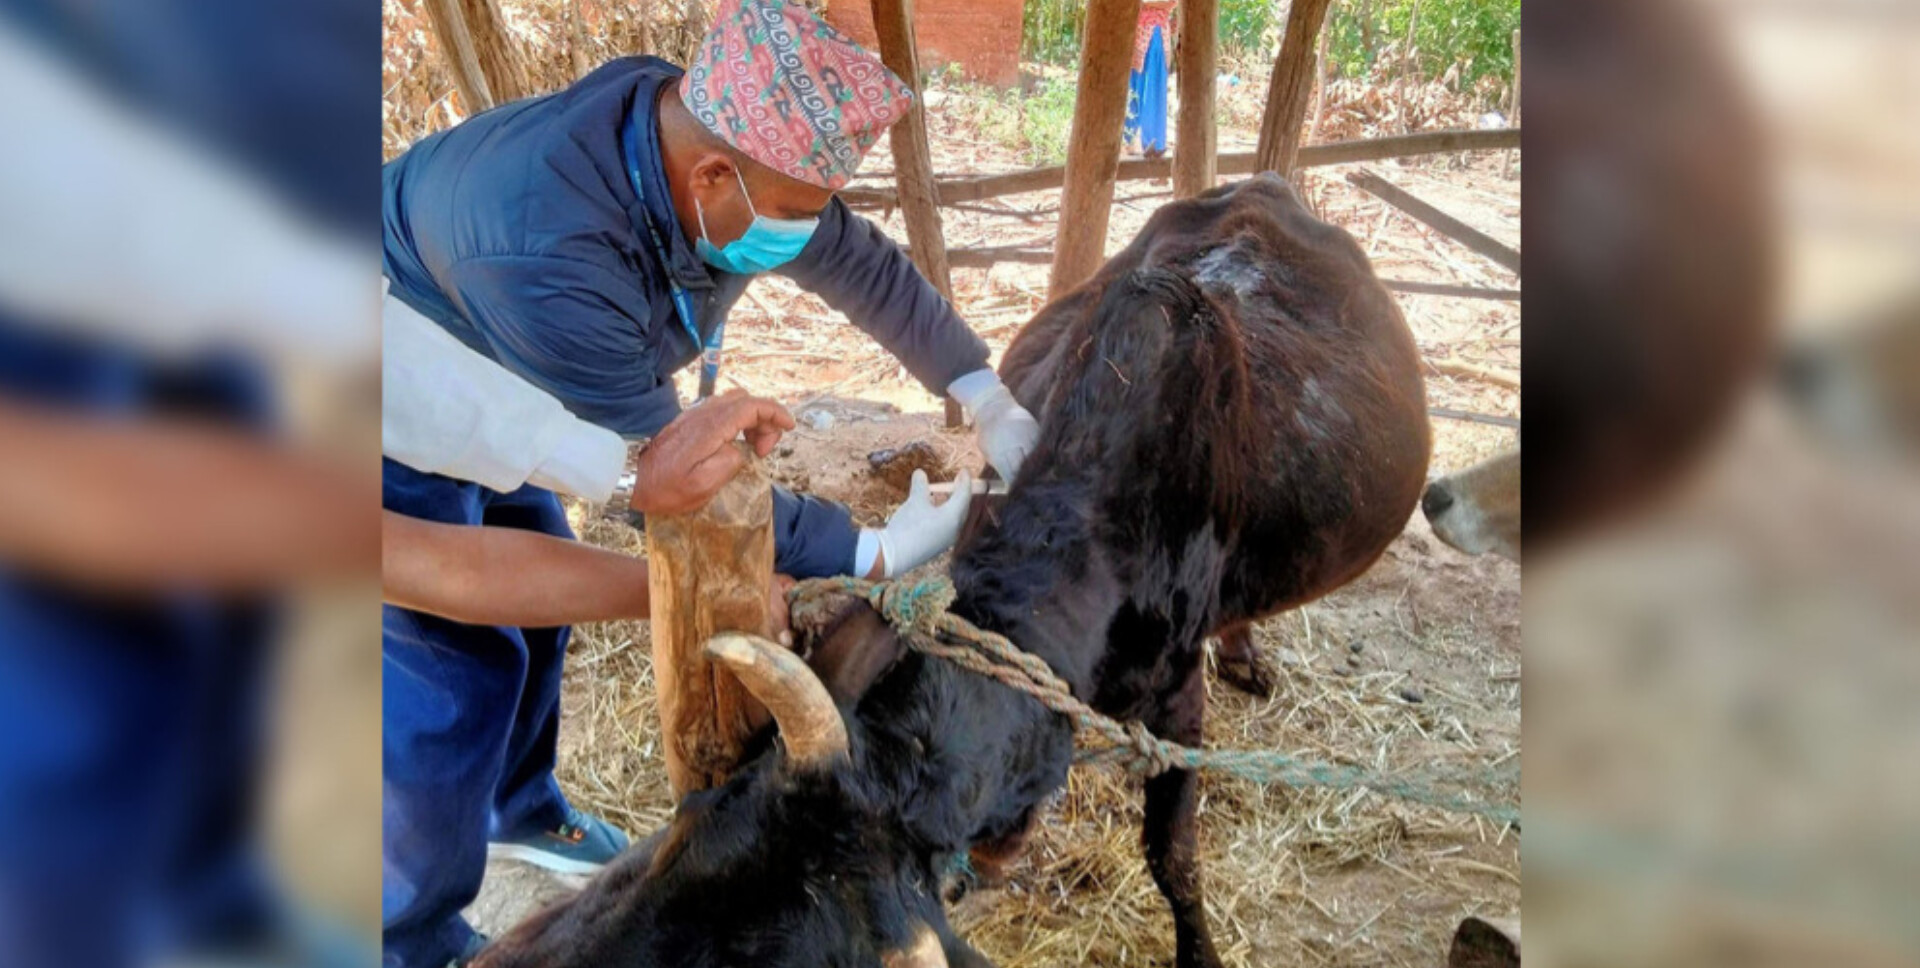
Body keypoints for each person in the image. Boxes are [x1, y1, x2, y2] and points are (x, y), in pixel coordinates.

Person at [378, 1, 1042, 964]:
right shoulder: (547, 252)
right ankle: (411, 933)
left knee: (536, 605)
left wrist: (981, 390)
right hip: (402, 385)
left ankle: (522, 808)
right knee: (450, 671)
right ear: (715, 178)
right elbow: (686, 483)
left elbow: (856, 262)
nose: (803, 232)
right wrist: (871, 551)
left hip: (513, 378)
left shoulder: (701, 153)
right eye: (794, 213)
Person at [1126, 0, 1177, 159]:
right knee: (1135, 86)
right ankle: (1130, 139)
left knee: (1153, 89)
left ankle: (1153, 143)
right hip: (1138, 33)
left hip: (1157, 33)